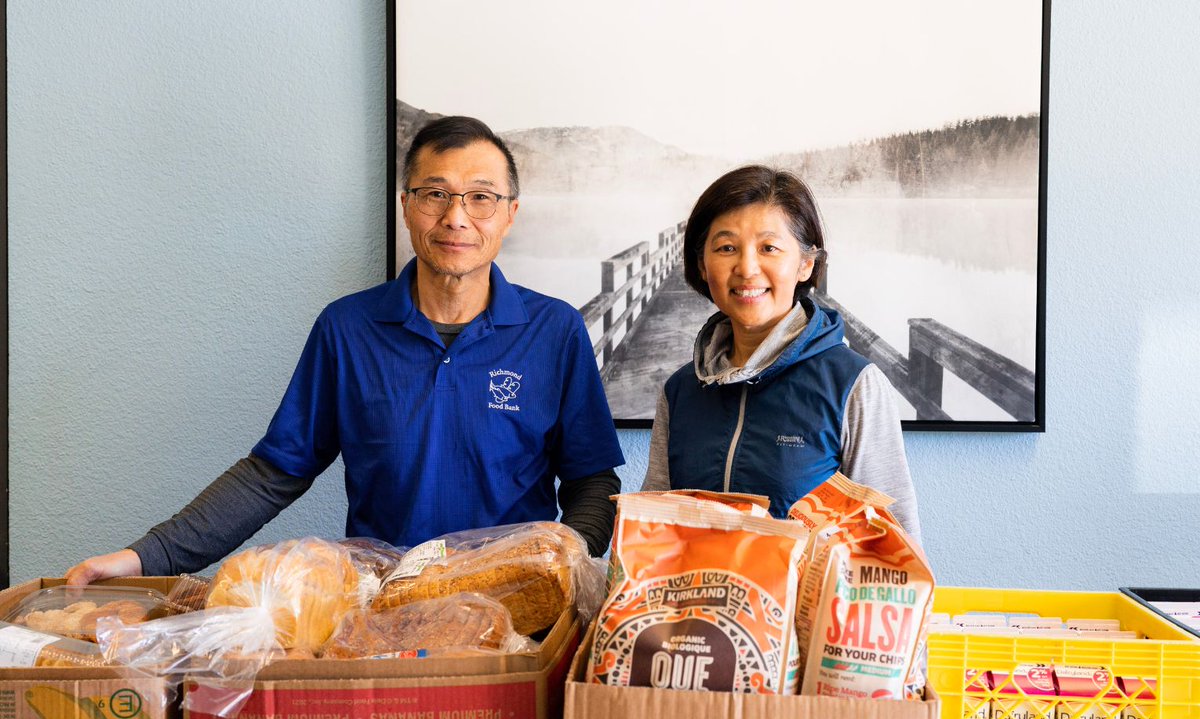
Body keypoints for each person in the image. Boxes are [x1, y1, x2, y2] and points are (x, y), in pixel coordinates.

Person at [68, 116, 625, 585]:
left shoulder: (554, 330)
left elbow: (593, 483)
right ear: (406, 206)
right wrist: (147, 557)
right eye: (435, 194)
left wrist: (559, 567)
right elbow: (272, 473)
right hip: (380, 609)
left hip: (521, 613)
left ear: (509, 213)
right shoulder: (347, 328)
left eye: (481, 197)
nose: (456, 217)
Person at [641, 165, 920, 538]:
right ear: (702, 266)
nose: (747, 268)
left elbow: (895, 545)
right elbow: (651, 531)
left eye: (768, 248)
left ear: (806, 264)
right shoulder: (680, 390)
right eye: (726, 248)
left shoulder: (854, 385)